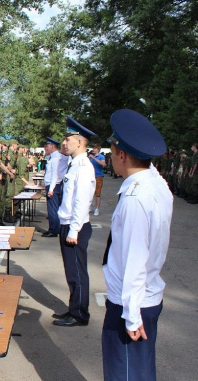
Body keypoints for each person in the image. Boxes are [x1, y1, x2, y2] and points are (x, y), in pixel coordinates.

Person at [102, 109, 172, 380]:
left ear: (122, 155)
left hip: (130, 303)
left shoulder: (135, 198)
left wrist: (131, 316)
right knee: (140, 370)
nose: (110, 158)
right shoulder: (156, 183)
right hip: (146, 297)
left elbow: (134, 259)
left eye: (112, 151)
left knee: (125, 372)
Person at [52, 116, 96, 327]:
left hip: (75, 226)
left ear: (79, 142)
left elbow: (82, 201)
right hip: (68, 224)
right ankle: (73, 308)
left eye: (68, 139)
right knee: (71, 271)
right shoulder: (73, 164)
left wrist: (74, 230)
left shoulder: (84, 167)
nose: (64, 142)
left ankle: (79, 314)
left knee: (77, 272)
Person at [42, 137, 63, 237]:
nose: (46, 148)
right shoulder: (53, 157)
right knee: (53, 208)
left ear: (53, 146)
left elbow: (55, 174)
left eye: (47, 146)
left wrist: (51, 189)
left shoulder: (56, 158)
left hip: (53, 185)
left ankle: (53, 230)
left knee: (53, 209)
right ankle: (54, 228)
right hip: (52, 185)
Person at [88, 143, 106, 216]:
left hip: (98, 176)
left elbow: (103, 164)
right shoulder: (90, 157)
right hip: (91, 176)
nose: (93, 149)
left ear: (98, 150)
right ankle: (89, 206)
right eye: (93, 148)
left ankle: (97, 209)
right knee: (89, 192)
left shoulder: (101, 156)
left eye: (95, 148)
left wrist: (94, 158)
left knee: (97, 194)